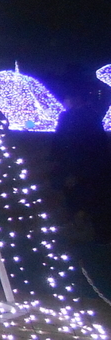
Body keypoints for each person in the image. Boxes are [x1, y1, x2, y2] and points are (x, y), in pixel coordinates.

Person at [51, 87, 111, 243]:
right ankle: (99, 232)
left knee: (83, 199)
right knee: (97, 200)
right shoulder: (91, 115)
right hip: (94, 165)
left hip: (80, 165)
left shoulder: (69, 118)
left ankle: (89, 230)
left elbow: (61, 143)